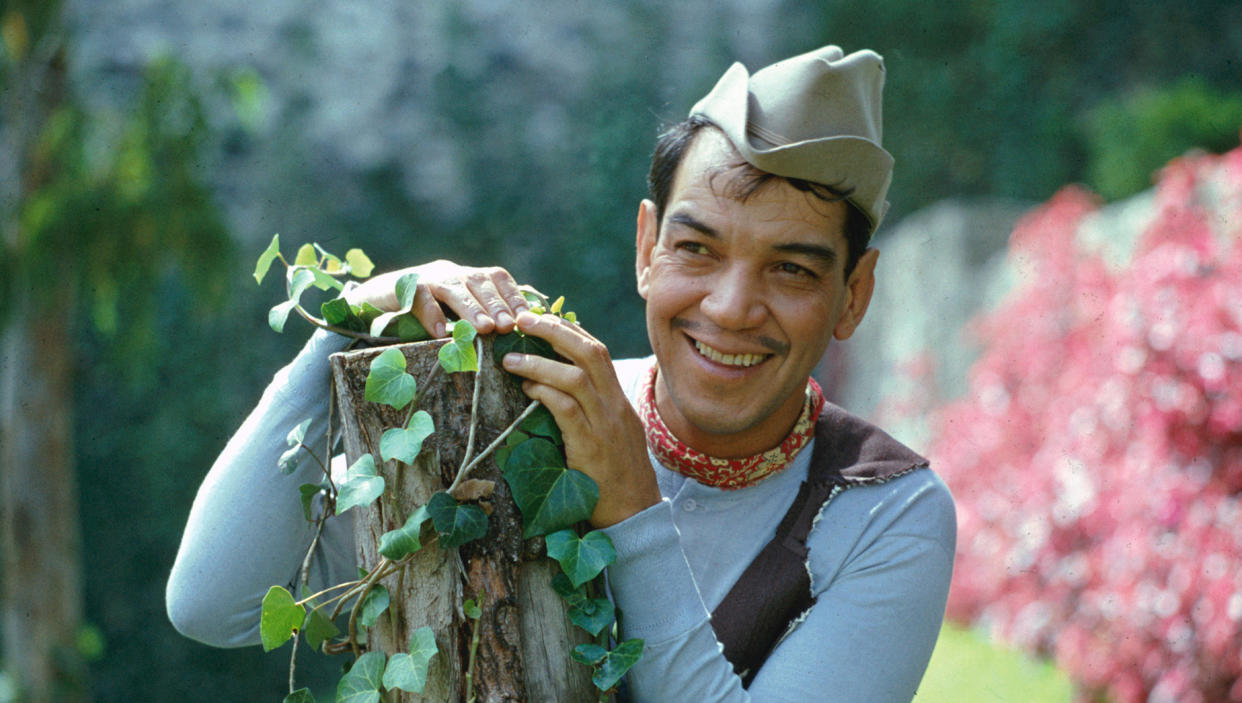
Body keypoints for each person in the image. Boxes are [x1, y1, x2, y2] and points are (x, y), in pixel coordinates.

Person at [167, 45, 956, 701]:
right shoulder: (518, 419)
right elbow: (213, 601)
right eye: (697, 249)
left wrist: (630, 509)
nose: (731, 306)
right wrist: (338, 334)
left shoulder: (888, 511)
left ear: (853, 296)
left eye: (790, 269)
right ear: (646, 248)